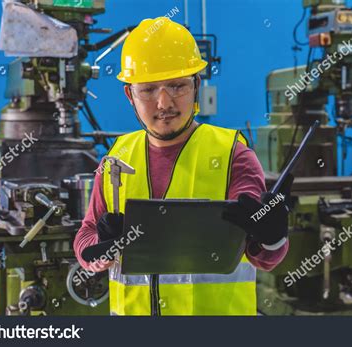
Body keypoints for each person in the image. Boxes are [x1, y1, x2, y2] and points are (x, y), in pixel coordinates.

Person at [73, 16, 289, 316]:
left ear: (196, 85)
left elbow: (263, 257)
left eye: (177, 86)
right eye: (148, 89)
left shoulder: (233, 156)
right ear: (130, 95)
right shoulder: (116, 158)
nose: (164, 103)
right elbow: (85, 238)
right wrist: (100, 249)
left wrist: (273, 236)